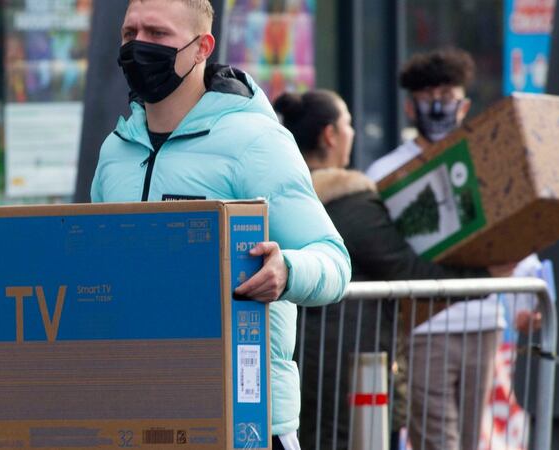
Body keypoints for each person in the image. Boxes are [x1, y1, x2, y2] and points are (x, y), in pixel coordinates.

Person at [89, 1, 352, 449]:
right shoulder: (116, 151)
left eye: (157, 34)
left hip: (246, 422)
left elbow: (334, 260)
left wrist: (286, 270)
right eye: (130, 33)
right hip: (138, 415)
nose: (138, 46)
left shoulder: (256, 141)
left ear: (201, 48)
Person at [274, 88, 512, 450]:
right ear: (330, 135)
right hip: (346, 366)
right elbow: (410, 270)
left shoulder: (282, 198)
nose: (353, 132)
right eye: (349, 123)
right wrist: (488, 278)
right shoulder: (354, 207)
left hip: (296, 358)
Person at [366, 47, 507, 450]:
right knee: (437, 441)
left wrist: (529, 292)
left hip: (483, 321)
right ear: (410, 107)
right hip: (426, 326)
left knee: (468, 440)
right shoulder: (387, 174)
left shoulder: (482, 163)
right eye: (429, 97)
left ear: (464, 105)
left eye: (447, 96)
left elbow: (509, 233)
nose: (439, 106)